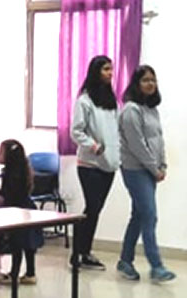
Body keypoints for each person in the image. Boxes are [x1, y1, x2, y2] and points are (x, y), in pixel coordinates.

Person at [116, 65, 175, 283]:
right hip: (135, 170)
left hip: (150, 170)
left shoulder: (151, 109)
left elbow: (158, 139)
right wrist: (154, 168)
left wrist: (163, 165)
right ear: (136, 84)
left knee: (139, 216)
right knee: (150, 215)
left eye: (153, 80)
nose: (150, 84)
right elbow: (137, 145)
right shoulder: (131, 110)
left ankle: (125, 260)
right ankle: (156, 266)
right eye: (145, 80)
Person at [70, 55, 120, 271]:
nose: (110, 73)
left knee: (95, 209)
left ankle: (85, 252)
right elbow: (76, 131)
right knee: (92, 207)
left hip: (109, 164)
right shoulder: (84, 101)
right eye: (106, 69)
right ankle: (78, 254)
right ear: (95, 72)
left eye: (111, 69)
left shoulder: (112, 101)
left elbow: (116, 131)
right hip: (89, 164)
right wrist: (93, 145)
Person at [0, 140, 42, 285]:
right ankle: (30, 273)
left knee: (17, 244)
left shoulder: (10, 173)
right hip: (27, 209)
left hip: (17, 212)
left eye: (0, 152)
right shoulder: (23, 170)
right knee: (28, 245)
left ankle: (14, 274)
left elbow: (10, 195)